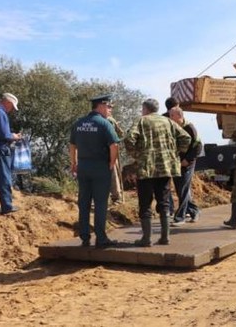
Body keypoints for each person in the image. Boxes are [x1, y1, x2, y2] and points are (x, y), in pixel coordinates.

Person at [124, 98, 191, 247]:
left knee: (145, 203)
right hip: (165, 169)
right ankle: (165, 237)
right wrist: (175, 153)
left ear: (145, 109)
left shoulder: (141, 121)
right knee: (164, 202)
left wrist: (136, 155)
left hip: (146, 169)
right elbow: (186, 137)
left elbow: (129, 139)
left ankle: (146, 239)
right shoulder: (168, 121)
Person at [69, 94, 120, 248]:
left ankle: (84, 238)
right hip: (100, 168)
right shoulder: (104, 124)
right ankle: (101, 238)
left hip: (83, 167)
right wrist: (112, 162)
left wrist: (74, 163)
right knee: (100, 203)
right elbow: (114, 146)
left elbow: (72, 145)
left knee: (84, 202)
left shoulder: (78, 123)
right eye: (109, 107)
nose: (110, 110)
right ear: (101, 106)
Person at [168, 106, 202, 226]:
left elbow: (198, 146)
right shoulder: (173, 127)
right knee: (180, 189)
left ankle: (180, 217)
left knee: (183, 188)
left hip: (187, 164)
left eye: (172, 115)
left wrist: (188, 160)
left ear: (179, 116)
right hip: (176, 163)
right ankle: (194, 210)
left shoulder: (190, 128)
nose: (170, 117)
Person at [106, 113, 125, 205]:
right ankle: (117, 198)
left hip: (102, 151)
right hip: (110, 150)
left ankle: (114, 197)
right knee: (113, 174)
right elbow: (121, 133)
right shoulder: (110, 120)